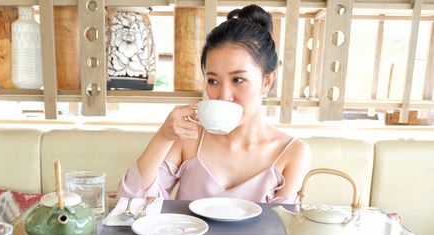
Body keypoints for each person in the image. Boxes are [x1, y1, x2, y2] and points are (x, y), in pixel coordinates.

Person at [117, 4, 311, 204]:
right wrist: (163, 136)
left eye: (238, 80)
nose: (223, 96)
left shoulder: (292, 152)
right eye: (213, 81)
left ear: (267, 81)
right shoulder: (189, 137)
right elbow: (132, 204)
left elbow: (280, 229)